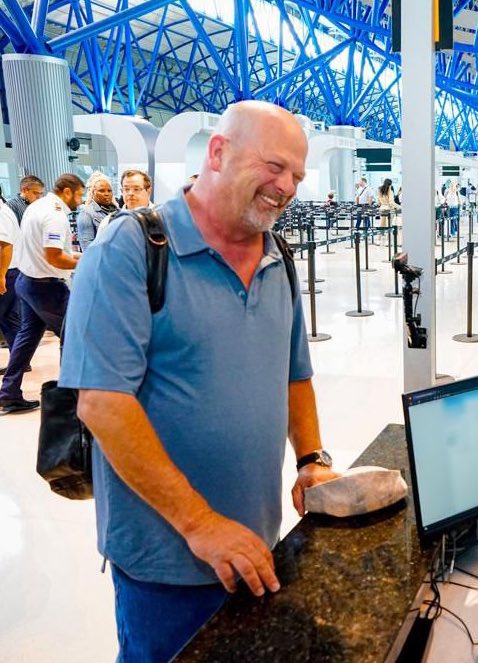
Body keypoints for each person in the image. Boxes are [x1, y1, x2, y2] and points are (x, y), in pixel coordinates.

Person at [58, 100, 338, 662]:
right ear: (217, 152)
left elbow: (294, 373)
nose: (287, 187)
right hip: (167, 563)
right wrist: (202, 524)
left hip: (255, 543)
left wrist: (311, 458)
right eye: (274, 166)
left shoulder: (277, 255)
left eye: (297, 175)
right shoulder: (130, 249)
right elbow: (102, 403)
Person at [0, 173, 84, 414]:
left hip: (27, 281)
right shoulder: (55, 215)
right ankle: (71, 395)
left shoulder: (37, 206)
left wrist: (77, 255)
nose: (80, 200)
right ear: (67, 192)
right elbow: (54, 257)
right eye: (79, 195)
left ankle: (8, 393)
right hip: (46, 287)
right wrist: (86, 261)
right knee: (75, 335)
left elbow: (46, 251)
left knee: (27, 338)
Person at [97, 169, 154, 237]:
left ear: (148, 191)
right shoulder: (109, 222)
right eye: (126, 189)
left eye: (136, 189)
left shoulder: (161, 219)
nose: (130, 193)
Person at [0, 200, 21, 369]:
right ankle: (20, 362)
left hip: (7, 272)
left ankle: (19, 362)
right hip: (9, 272)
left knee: (7, 317)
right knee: (9, 318)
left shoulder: (2, 213)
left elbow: (6, 247)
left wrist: (1, 276)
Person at [76, 172, 117, 251]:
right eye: (101, 191)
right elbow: (87, 248)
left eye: (109, 191)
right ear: (93, 192)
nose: (106, 194)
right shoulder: (86, 214)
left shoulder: (118, 211)